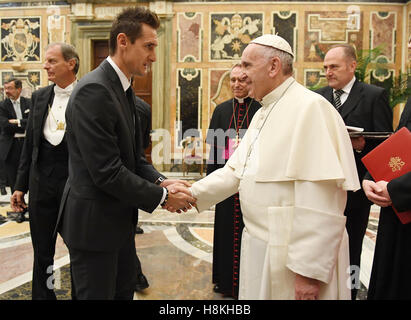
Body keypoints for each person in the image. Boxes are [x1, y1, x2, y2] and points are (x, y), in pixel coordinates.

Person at [190, 34, 360, 300]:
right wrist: (189, 194)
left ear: (273, 67)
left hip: (293, 257)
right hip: (264, 246)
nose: (242, 76)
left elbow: (322, 199)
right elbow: (235, 171)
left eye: (247, 66)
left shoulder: (310, 109)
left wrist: (308, 273)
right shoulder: (262, 110)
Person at [56, 6, 195, 300]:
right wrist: (164, 199)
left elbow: (132, 159)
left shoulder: (123, 89)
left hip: (117, 222)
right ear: (123, 41)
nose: (154, 56)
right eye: (149, 46)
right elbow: (107, 171)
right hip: (94, 228)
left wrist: (161, 182)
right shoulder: (94, 90)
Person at [316, 44, 393, 299]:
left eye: (334, 66)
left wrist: (362, 145)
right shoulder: (318, 98)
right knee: (321, 243)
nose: (328, 72)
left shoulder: (374, 95)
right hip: (322, 187)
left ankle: (348, 291)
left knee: (353, 246)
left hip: (356, 189)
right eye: (325, 67)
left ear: (352, 65)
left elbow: (385, 142)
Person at [10, 43, 79, 299]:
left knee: (78, 251)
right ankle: (43, 296)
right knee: (42, 252)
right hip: (41, 187)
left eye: (51, 61)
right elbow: (30, 145)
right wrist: (20, 186)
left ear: (70, 64)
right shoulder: (39, 97)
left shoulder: (88, 94)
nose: (45, 66)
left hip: (75, 189)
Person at [206, 63, 260, 298]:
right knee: (226, 232)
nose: (237, 85)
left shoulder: (261, 110)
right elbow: (214, 153)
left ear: (251, 82)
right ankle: (225, 281)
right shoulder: (220, 110)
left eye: (243, 80)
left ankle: (247, 283)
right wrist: (211, 186)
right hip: (227, 185)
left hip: (252, 186)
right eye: (233, 80)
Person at [0, 79, 31, 203]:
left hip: (27, 144)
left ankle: (31, 207)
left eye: (10, 88)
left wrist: (17, 121)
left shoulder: (29, 103)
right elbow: (5, 126)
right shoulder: (2, 106)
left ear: (19, 89)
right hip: (11, 146)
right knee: (13, 179)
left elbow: (33, 122)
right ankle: (18, 208)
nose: (7, 91)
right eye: (5, 88)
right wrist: (24, 122)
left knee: (29, 176)